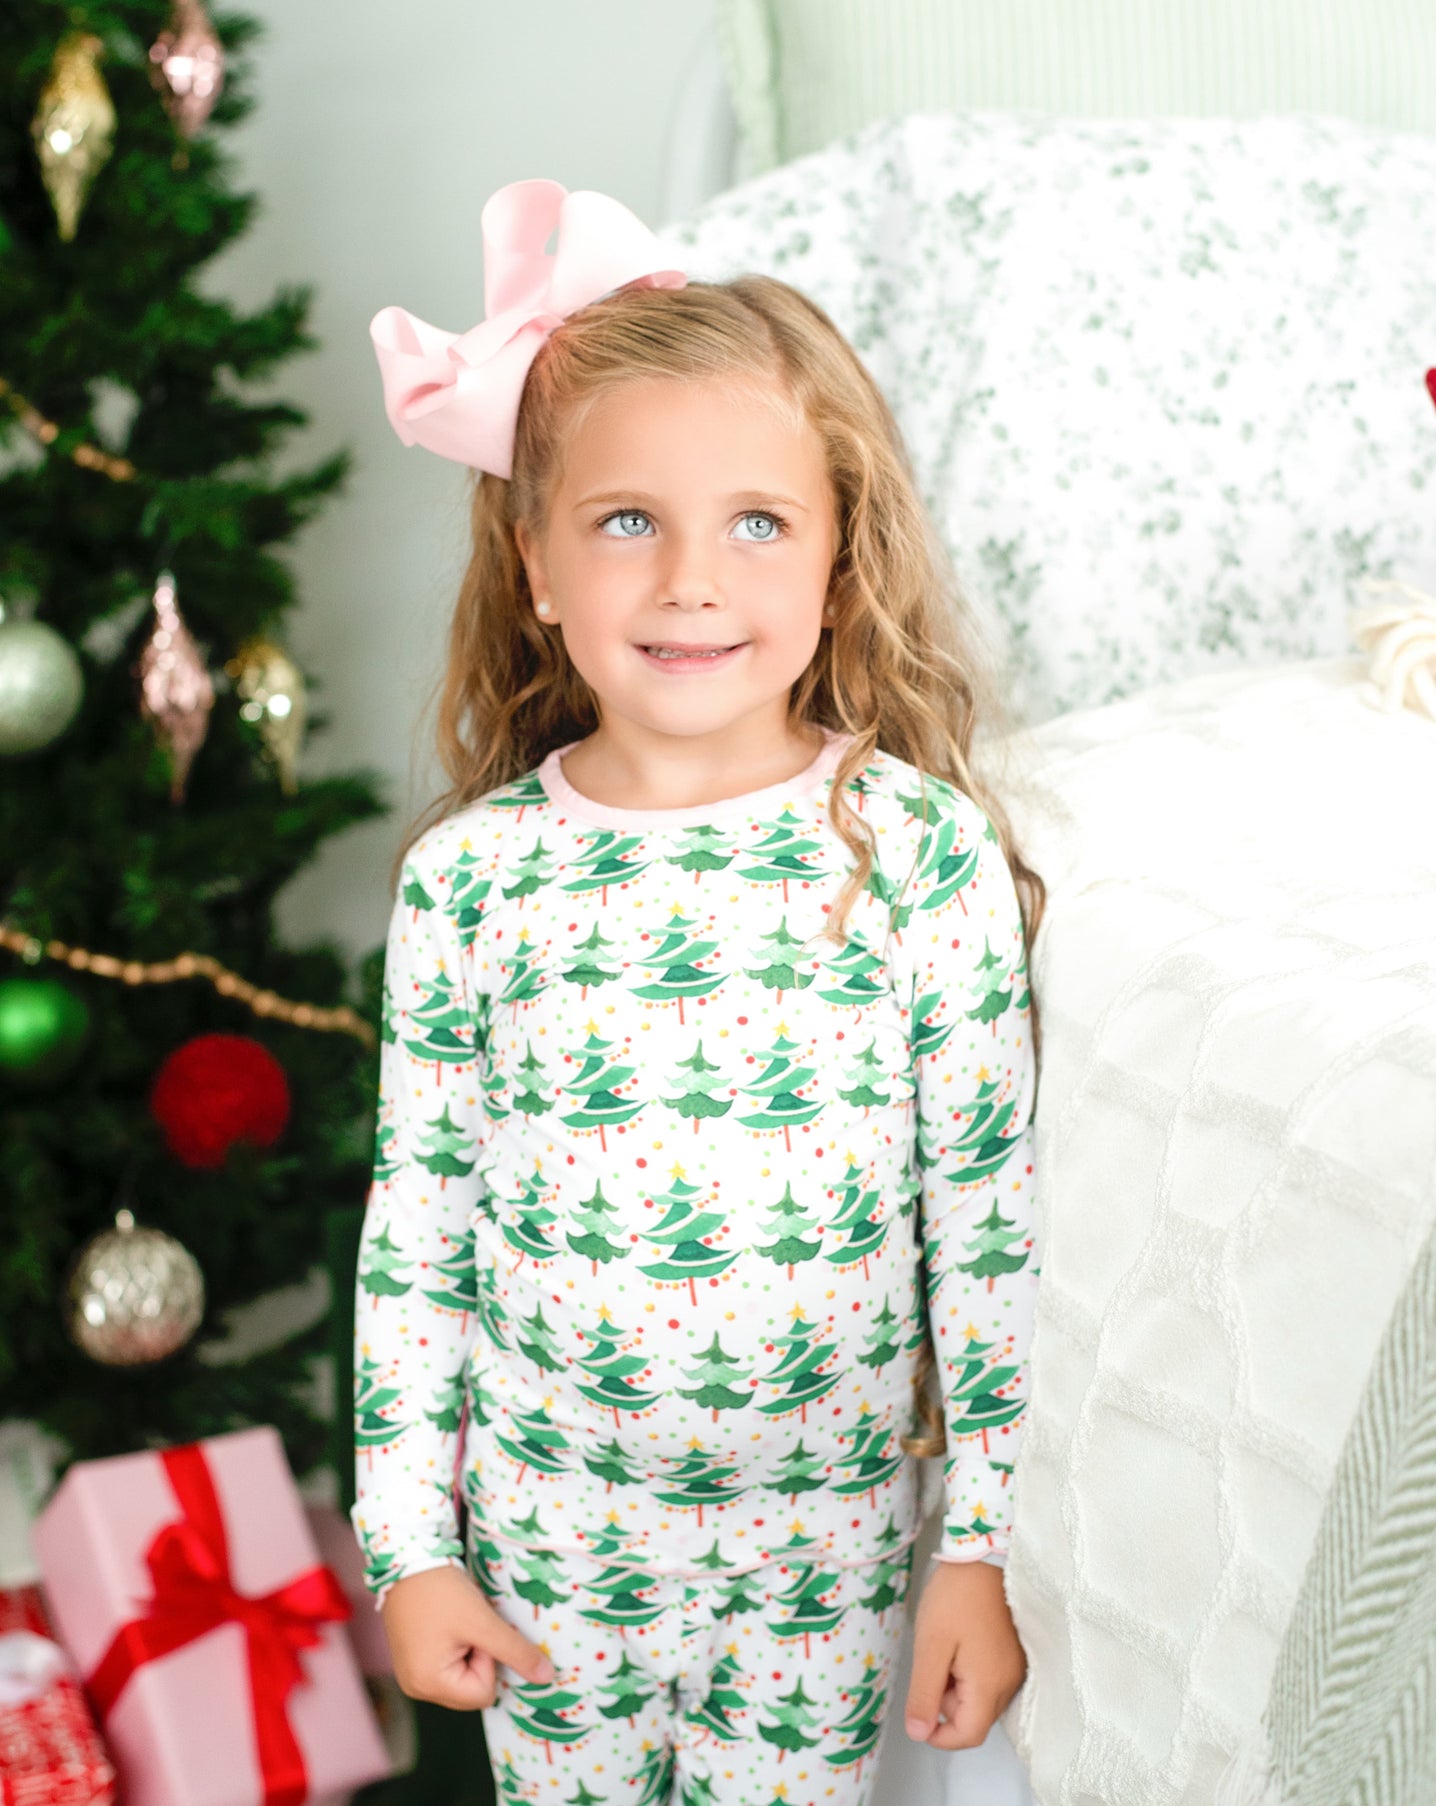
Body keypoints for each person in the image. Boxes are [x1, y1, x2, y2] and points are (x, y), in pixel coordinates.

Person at [353, 178, 1044, 1806]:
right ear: (533, 561)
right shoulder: (472, 880)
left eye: (755, 522)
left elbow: (988, 1226)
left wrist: (981, 1547)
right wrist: (407, 1546)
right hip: (547, 1540)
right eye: (623, 521)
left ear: (837, 559)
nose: (688, 579)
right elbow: (417, 1233)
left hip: (819, 1551)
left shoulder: (915, 852)